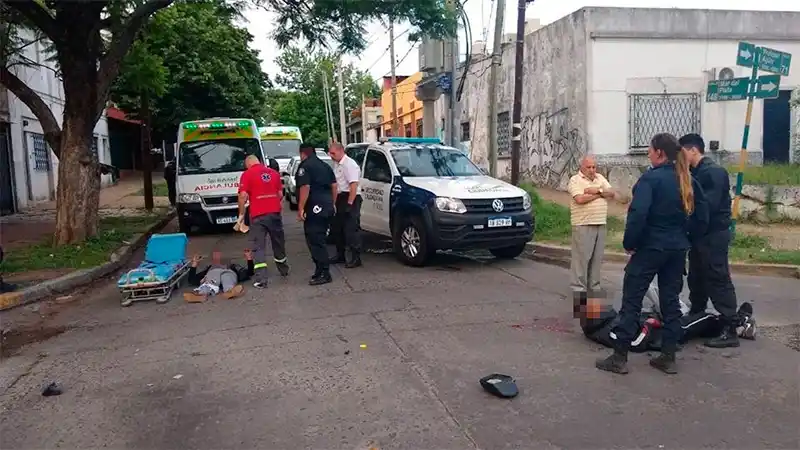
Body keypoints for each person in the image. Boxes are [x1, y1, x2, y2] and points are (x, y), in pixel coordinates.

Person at [596, 133, 708, 375]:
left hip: (651, 247)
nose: (647, 152)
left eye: (649, 149)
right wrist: (687, 239)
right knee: (670, 302)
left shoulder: (651, 179)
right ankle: (667, 356)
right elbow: (703, 217)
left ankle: (619, 357)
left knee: (632, 301)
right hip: (677, 249)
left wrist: (630, 243)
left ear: (660, 153)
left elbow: (638, 215)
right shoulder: (686, 179)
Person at [578, 279, 756, 352]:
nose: (600, 304)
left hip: (659, 329)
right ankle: (739, 322)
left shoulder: (604, 323)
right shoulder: (606, 331)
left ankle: (740, 325)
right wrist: (649, 324)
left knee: (702, 326)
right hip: (661, 334)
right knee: (705, 317)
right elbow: (633, 343)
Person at [680, 133, 741, 348]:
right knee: (697, 277)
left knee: (717, 277)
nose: (680, 158)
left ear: (693, 150)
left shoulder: (713, 172)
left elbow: (707, 206)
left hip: (713, 234)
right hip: (699, 235)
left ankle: (729, 328)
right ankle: (697, 318)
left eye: (682, 153)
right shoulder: (695, 172)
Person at [567, 156, 616, 302]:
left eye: (594, 167)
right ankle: (579, 290)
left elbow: (611, 193)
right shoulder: (575, 180)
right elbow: (580, 199)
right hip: (583, 224)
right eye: (589, 167)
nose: (592, 170)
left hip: (600, 222)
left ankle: (594, 287)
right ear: (581, 167)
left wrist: (596, 191)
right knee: (581, 259)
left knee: (596, 258)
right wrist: (601, 194)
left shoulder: (600, 178)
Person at [237, 155, 289, 289]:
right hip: (274, 214)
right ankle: (283, 269)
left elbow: (243, 196)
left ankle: (261, 280)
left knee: (258, 247)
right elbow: (280, 195)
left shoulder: (247, 174)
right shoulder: (274, 173)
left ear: (248, 164)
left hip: (258, 216)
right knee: (278, 242)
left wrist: (241, 215)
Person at [295, 143, 337, 285]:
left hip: (314, 208)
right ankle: (319, 271)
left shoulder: (305, 166)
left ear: (302, 154)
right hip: (326, 207)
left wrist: (300, 208)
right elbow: (334, 186)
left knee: (315, 242)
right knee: (319, 239)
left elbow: (305, 187)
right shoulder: (325, 166)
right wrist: (332, 203)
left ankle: (325, 273)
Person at [328, 141, 363, 268]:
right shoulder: (337, 164)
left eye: (333, 153)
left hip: (350, 197)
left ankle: (356, 257)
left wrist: (350, 203)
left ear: (341, 151)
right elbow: (337, 185)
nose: (331, 155)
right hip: (340, 197)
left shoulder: (350, 164)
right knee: (338, 228)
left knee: (351, 229)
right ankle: (340, 255)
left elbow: (353, 185)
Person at [183, 250, 254, 302]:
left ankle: (230, 291)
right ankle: (200, 295)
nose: (219, 259)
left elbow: (249, 272)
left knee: (227, 278)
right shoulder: (210, 269)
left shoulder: (232, 267)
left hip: (228, 272)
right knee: (209, 282)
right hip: (213, 273)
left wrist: (249, 258)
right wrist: (195, 263)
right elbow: (192, 279)